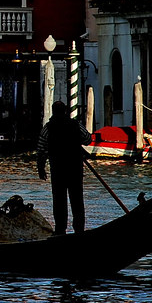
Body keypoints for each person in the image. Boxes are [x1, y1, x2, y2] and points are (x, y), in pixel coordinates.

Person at [36, 100, 92, 235]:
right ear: (65, 111)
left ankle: (60, 230)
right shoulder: (76, 125)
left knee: (59, 201)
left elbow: (41, 150)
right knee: (77, 200)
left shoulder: (48, 128)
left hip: (58, 170)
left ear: (53, 112)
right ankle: (79, 230)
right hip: (75, 169)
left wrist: (41, 169)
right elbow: (88, 139)